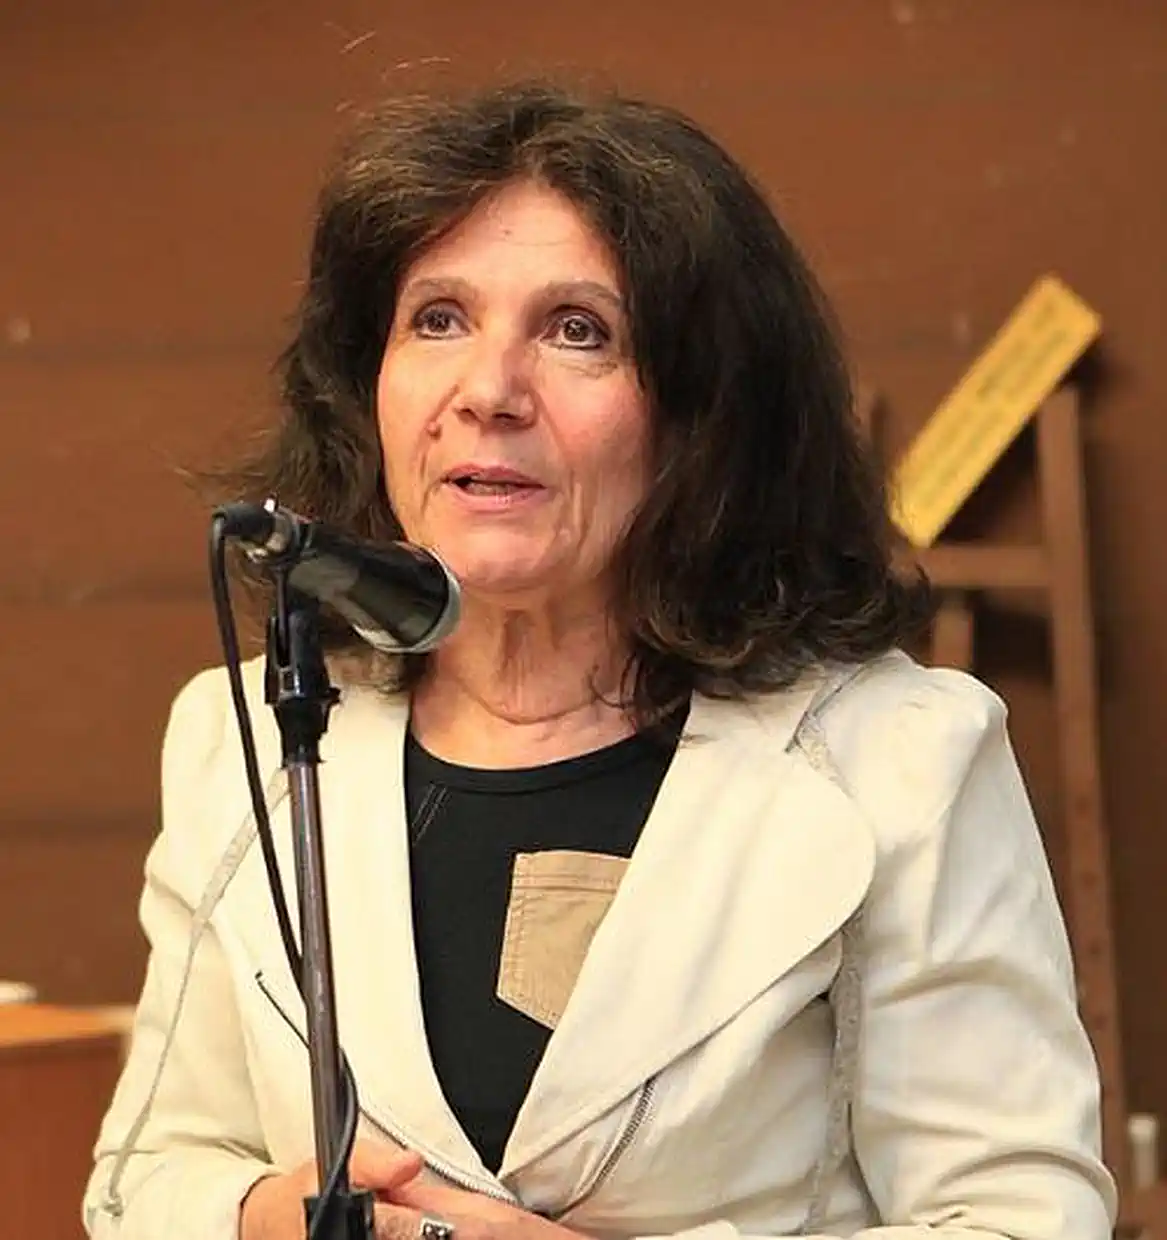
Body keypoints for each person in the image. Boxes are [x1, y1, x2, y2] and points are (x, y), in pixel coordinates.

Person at [83, 80, 1117, 1240]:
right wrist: (261, 1218)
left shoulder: (901, 760)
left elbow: (1023, 1219)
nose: (487, 391)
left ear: (701, 416)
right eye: (438, 319)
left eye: (579, 330)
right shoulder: (248, 738)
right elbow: (146, 1174)